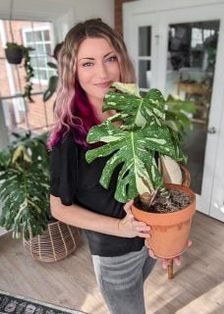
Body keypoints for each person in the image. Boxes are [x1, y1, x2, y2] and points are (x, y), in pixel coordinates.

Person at [49, 18, 188, 314]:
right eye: (87, 63)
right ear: (72, 71)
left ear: (121, 60)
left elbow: (156, 181)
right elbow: (59, 208)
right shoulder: (69, 139)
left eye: (110, 58)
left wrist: (168, 237)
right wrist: (120, 228)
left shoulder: (138, 114)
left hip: (148, 242)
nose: (102, 72)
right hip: (116, 255)